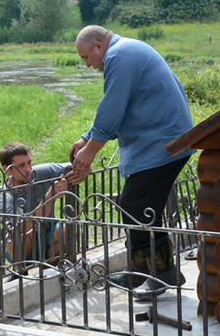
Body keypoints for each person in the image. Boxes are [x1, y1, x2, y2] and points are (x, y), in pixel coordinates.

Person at [68, 25, 196, 300]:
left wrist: (89, 151)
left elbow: (113, 106)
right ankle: (152, 271)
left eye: (86, 58)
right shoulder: (126, 51)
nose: (88, 65)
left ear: (99, 46)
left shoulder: (121, 56)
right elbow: (115, 104)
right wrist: (86, 138)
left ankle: (154, 275)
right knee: (144, 207)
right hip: (164, 140)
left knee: (136, 206)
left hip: (164, 143)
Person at [0, 143, 71, 275]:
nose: (28, 169)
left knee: (67, 229)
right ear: (7, 170)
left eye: (29, 163)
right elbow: (24, 227)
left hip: (48, 234)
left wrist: (82, 167)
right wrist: (50, 196)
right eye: (21, 166)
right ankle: (20, 271)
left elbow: (78, 166)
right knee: (19, 233)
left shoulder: (40, 173)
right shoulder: (3, 196)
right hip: (23, 245)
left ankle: (49, 274)